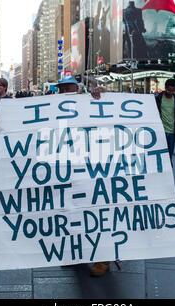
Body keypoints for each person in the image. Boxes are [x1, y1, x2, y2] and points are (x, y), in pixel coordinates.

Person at [55, 75, 110, 277]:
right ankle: (77, 254)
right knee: (73, 213)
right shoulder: (53, 106)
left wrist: (99, 95)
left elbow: (106, 104)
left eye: (67, 88)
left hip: (93, 166)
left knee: (95, 212)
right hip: (68, 167)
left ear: (76, 88)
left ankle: (102, 258)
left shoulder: (89, 100)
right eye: (61, 89)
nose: (63, 92)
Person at [155, 79, 175, 162]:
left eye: (172, 91)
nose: (170, 92)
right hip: (161, 131)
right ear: (165, 88)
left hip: (172, 132)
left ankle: (169, 173)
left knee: (169, 157)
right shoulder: (158, 98)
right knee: (160, 156)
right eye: (168, 90)